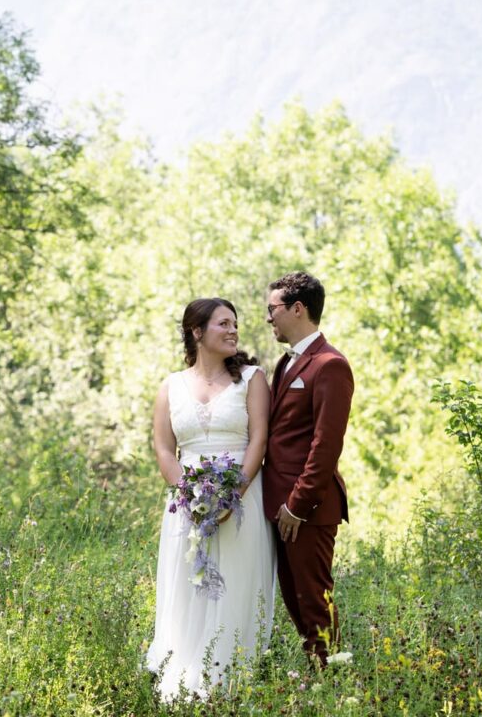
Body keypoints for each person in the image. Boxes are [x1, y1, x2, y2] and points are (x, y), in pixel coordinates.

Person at [146, 297, 276, 700]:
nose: (233, 330)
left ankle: (231, 678)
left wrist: (233, 494)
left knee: (236, 583)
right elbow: (165, 448)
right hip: (187, 504)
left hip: (242, 499)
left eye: (235, 323)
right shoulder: (171, 386)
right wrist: (187, 493)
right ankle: (184, 678)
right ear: (197, 332)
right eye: (223, 323)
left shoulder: (252, 380)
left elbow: (259, 440)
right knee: (188, 585)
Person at [261, 271, 354, 665]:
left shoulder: (330, 365)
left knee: (314, 600)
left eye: (273, 309)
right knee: (294, 600)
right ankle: (319, 675)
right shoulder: (284, 364)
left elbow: (325, 445)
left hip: (308, 509)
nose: (269, 318)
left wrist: (298, 505)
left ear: (298, 309)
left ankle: (332, 679)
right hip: (278, 505)